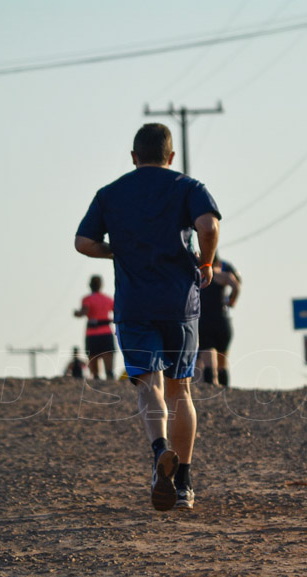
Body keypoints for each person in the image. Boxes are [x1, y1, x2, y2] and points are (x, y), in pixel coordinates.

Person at [75, 122, 220, 512]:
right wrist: (205, 262)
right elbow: (208, 224)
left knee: (147, 386)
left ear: (134, 157)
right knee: (181, 390)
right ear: (170, 156)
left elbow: (83, 242)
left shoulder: (111, 193)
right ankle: (185, 482)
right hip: (180, 305)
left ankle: (160, 452)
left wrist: (117, 251)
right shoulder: (188, 187)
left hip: (135, 305)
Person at [198, 254, 241, 387]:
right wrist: (231, 300)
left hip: (204, 322)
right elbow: (236, 284)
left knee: (208, 362)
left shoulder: (197, 276)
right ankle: (225, 394)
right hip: (222, 322)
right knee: (222, 363)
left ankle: (211, 391)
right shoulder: (223, 276)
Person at [73, 275, 116, 380]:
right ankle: (109, 378)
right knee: (108, 365)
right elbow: (118, 311)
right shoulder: (107, 299)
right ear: (101, 285)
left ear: (90, 285)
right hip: (106, 332)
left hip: (92, 333)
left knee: (94, 362)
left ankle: (97, 381)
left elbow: (84, 312)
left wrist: (77, 313)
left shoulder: (87, 299)